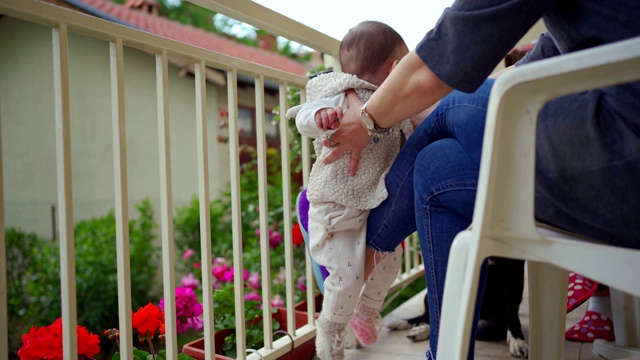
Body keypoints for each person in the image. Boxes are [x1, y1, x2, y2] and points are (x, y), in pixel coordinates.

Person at [322, 1, 640, 359]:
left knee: (454, 105)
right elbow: (524, 73)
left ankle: (363, 239)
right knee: (435, 167)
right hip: (614, 167)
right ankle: (444, 354)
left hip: (626, 153)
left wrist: (368, 119)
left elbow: (440, 59)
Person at [286, 21, 428, 360]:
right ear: (396, 69)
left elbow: (411, 131)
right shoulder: (337, 90)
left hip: (370, 200)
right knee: (346, 277)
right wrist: (321, 115)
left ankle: (365, 311)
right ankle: (331, 330)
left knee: (390, 260)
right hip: (335, 205)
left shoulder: (392, 106)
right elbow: (301, 117)